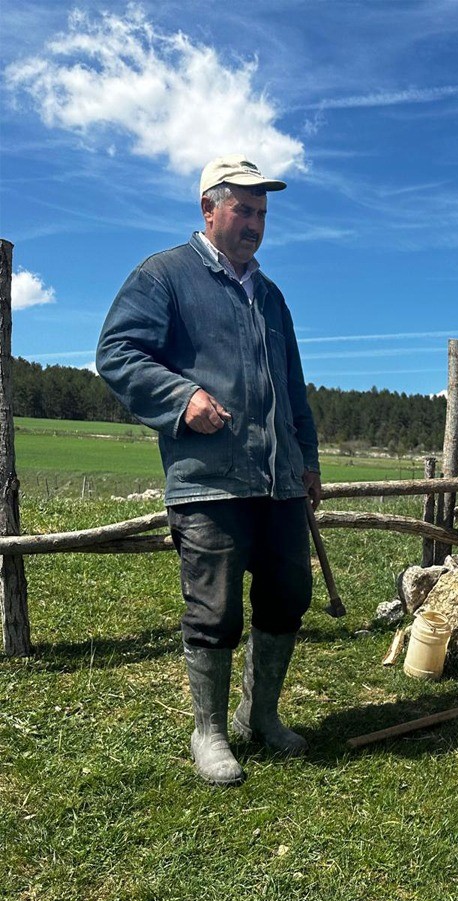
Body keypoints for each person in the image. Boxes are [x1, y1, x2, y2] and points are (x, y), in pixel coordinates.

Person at [97, 155, 321, 787]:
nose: (254, 224)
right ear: (209, 209)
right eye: (243, 210)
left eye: (261, 214)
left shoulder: (270, 296)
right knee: (214, 609)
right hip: (209, 478)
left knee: (287, 597)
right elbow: (115, 352)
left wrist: (307, 461)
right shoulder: (164, 276)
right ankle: (210, 730)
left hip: (277, 479)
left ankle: (262, 714)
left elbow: (294, 390)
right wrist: (180, 399)